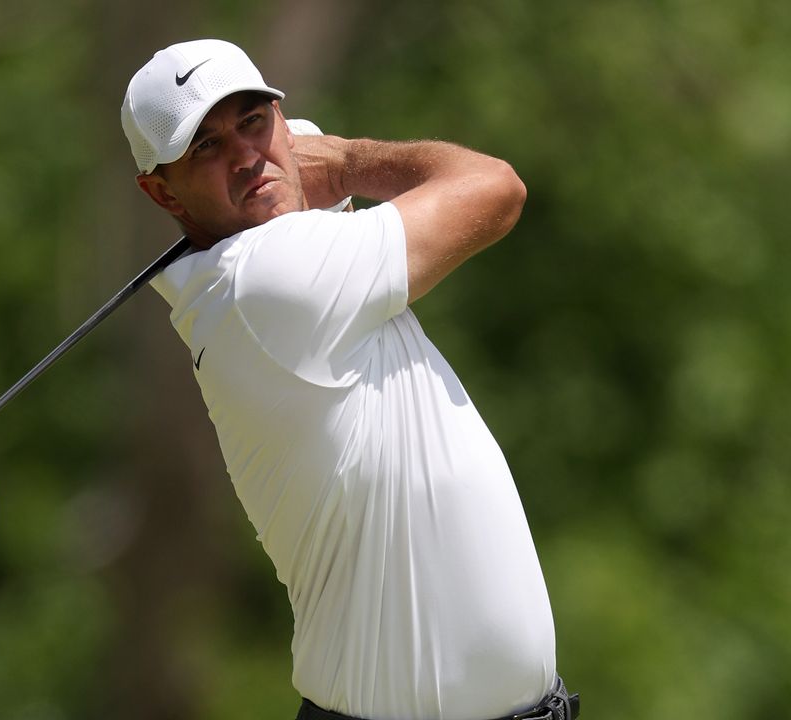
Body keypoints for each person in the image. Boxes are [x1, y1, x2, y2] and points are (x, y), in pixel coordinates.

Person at [120, 39, 579, 720]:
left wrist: (304, 173)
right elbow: (495, 189)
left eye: (253, 121)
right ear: (162, 191)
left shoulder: (259, 274)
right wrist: (347, 160)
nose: (245, 156)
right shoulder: (266, 282)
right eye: (204, 149)